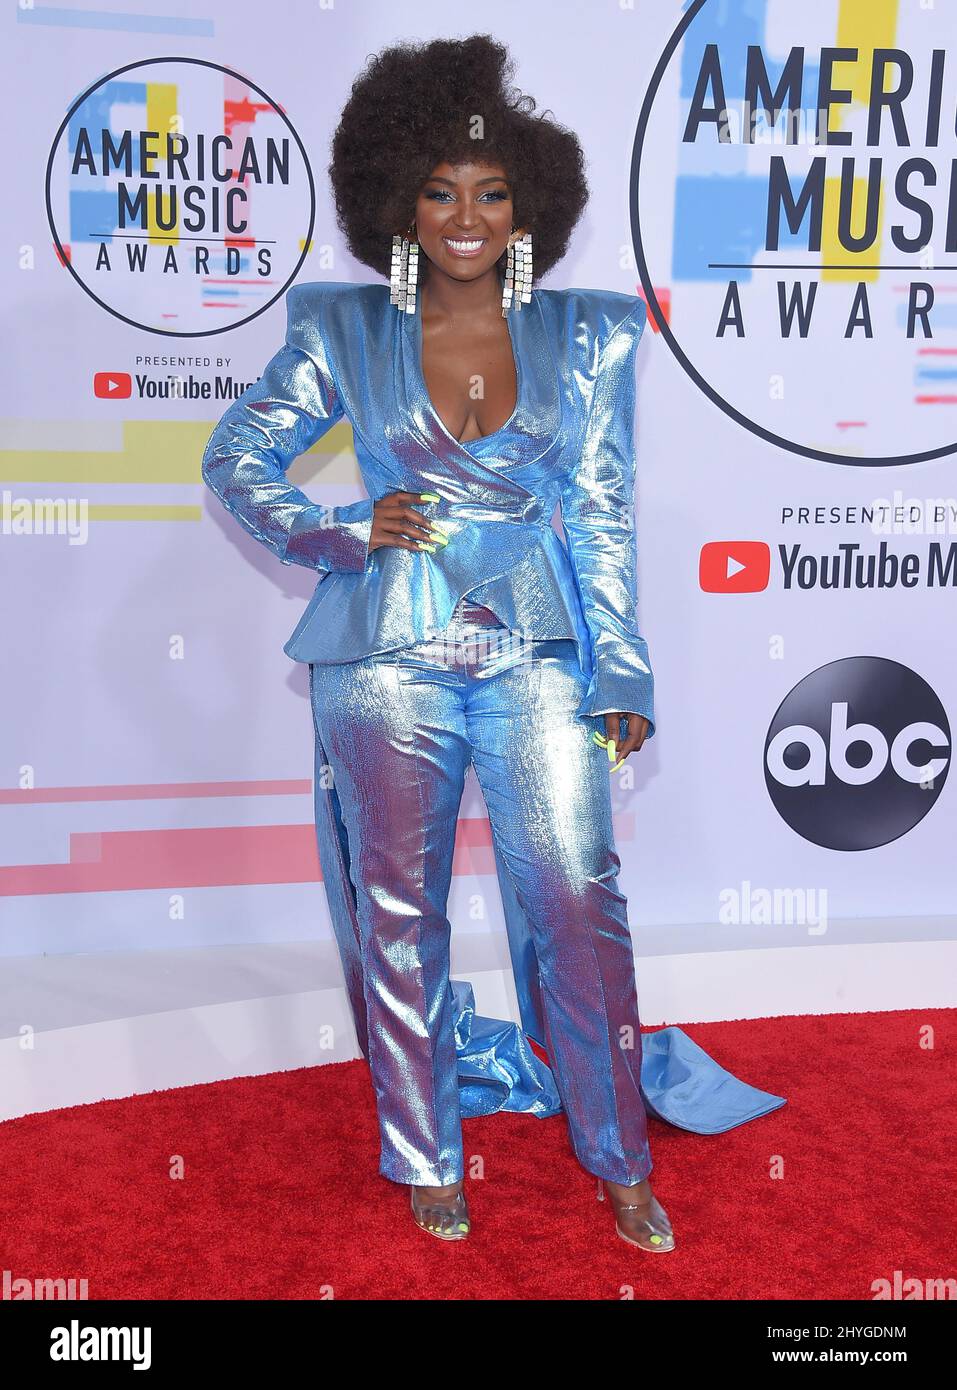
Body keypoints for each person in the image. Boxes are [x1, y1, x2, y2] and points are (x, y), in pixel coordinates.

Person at [202, 34, 784, 1253]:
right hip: (385, 664)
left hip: (538, 656)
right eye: (440, 192)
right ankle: (427, 1151)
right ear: (398, 203)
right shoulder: (342, 329)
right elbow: (235, 460)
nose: (465, 216)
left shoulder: (592, 335)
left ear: (529, 207)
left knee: (577, 900)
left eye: (491, 194)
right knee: (397, 912)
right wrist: (345, 528)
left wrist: (620, 666)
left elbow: (602, 511)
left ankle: (617, 1149)